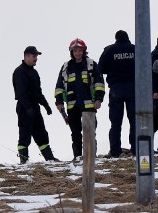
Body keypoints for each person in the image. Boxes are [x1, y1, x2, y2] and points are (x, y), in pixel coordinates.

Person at [55, 38, 105, 161]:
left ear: (84, 51)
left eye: (80, 50)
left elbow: (99, 82)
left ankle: (91, 157)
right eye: (75, 50)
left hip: (89, 105)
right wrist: (59, 102)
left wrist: (99, 99)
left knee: (90, 132)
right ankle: (77, 157)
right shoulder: (66, 67)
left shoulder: (91, 64)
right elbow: (59, 86)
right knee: (75, 133)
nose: (77, 53)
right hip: (73, 105)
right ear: (71, 52)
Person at [12, 46, 59, 164]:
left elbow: (38, 92)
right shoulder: (19, 71)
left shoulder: (34, 72)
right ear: (26, 56)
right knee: (25, 135)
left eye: (37, 56)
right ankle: (24, 161)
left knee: (41, 134)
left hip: (35, 107)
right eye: (34, 56)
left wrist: (46, 105)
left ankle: (50, 159)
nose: (36, 58)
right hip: (24, 108)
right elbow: (21, 93)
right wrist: (27, 108)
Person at [99, 30, 136, 158]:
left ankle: (115, 151)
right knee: (135, 121)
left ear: (116, 38)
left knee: (115, 122)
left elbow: (101, 69)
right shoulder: (135, 49)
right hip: (133, 88)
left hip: (116, 89)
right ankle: (136, 149)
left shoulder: (109, 50)